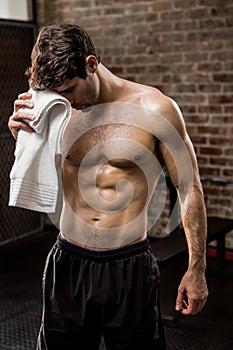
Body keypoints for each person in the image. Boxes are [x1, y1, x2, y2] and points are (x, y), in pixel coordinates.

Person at [8, 24, 208, 350]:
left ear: (91, 65)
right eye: (58, 94)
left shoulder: (155, 110)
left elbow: (189, 187)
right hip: (68, 261)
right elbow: (40, 168)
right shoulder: (57, 109)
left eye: (71, 89)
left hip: (130, 266)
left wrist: (196, 269)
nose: (67, 102)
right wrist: (24, 138)